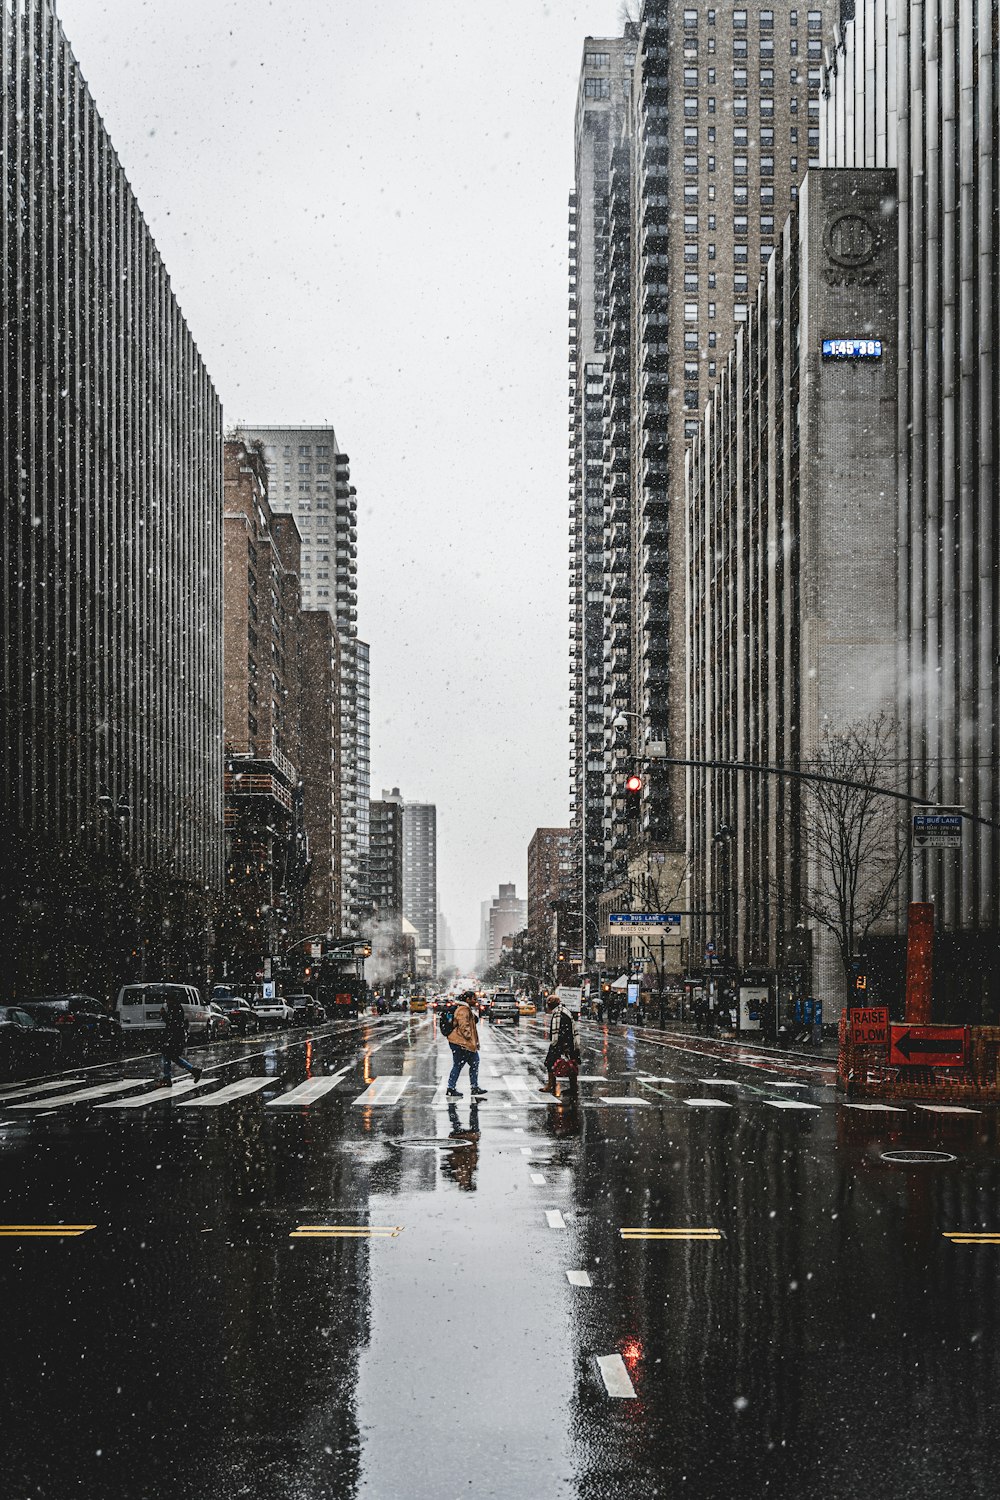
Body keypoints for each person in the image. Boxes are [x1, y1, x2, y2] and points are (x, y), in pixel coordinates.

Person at [445, 991, 487, 1101]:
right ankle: (451, 1088)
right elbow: (464, 1027)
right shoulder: (463, 1010)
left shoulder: (465, 1008)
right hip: (461, 1043)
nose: (476, 1001)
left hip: (464, 1043)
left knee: (474, 1062)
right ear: (467, 999)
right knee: (458, 1065)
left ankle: (474, 1087)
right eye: (474, 999)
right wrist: (469, 1038)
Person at [155, 991, 203, 1087]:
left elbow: (172, 1022)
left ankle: (168, 1078)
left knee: (169, 1056)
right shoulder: (176, 1007)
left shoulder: (175, 1008)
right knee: (171, 1056)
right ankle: (192, 1070)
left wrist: (163, 1014)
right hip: (175, 1035)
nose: (166, 1002)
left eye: (168, 1000)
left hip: (174, 1036)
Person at [540, 993, 580, 1098]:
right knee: (571, 1064)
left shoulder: (558, 1013)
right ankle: (573, 1087)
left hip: (562, 1043)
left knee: (549, 1063)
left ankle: (550, 1085)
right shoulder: (564, 1010)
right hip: (570, 1042)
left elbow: (557, 1032)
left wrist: (556, 1045)